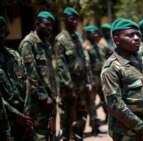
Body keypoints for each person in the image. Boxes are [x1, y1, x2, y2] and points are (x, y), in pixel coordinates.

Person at [100, 18, 143, 141]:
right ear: (117, 39)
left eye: (137, 34)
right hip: (127, 133)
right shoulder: (111, 68)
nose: (136, 38)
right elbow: (115, 106)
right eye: (130, 35)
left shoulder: (141, 60)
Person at [18, 11, 57, 141]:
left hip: (49, 98)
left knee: (49, 133)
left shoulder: (46, 43)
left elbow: (49, 72)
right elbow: (31, 75)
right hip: (37, 101)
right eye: (46, 24)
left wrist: (53, 95)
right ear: (37, 23)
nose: (49, 28)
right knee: (39, 134)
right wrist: (44, 97)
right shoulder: (28, 44)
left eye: (51, 25)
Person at [54, 7, 91, 140]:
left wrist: (87, 82)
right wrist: (70, 88)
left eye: (76, 19)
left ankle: (78, 137)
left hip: (81, 86)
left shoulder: (77, 38)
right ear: (65, 20)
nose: (75, 22)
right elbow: (61, 66)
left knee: (83, 114)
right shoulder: (61, 39)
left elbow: (83, 62)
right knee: (67, 118)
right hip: (68, 88)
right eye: (72, 19)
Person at [0, 16, 33, 141]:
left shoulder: (14, 55)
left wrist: (26, 112)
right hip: (6, 122)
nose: (1, 35)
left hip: (24, 117)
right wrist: (16, 115)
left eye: (3, 31)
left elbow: (27, 83)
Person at [82, 25, 107, 134]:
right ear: (87, 34)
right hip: (92, 81)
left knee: (106, 100)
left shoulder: (99, 46)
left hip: (102, 79)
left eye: (96, 33)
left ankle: (109, 120)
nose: (95, 35)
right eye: (92, 33)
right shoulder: (86, 47)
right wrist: (89, 81)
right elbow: (87, 66)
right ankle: (95, 126)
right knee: (91, 104)